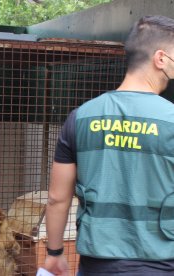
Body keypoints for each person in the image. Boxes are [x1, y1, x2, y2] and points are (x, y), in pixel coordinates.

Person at [43, 15, 174, 276]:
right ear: (160, 59)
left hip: (97, 266)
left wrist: (55, 253)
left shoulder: (80, 118)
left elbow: (58, 198)